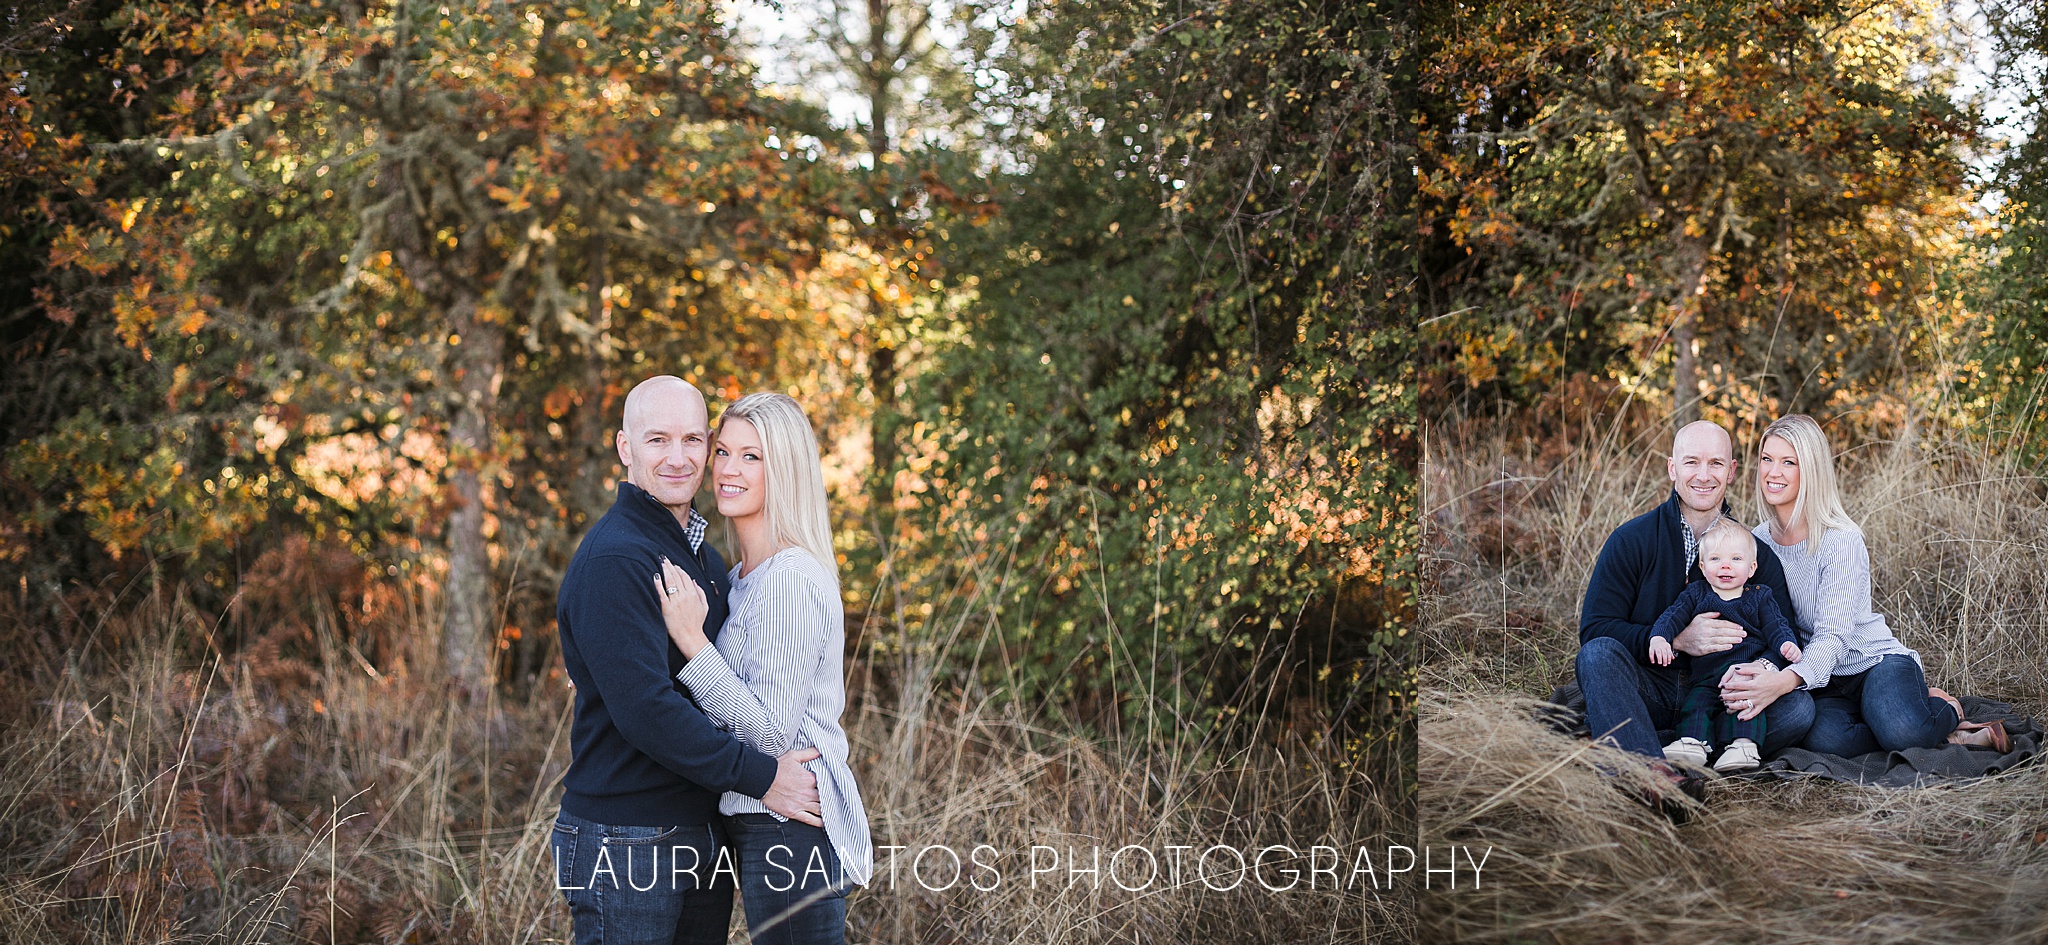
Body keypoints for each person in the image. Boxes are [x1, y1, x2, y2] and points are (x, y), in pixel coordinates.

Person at [551, 376, 827, 945]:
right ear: (626, 448)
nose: (679, 459)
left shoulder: (704, 556)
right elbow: (645, 710)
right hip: (627, 836)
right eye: (657, 441)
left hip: (698, 828)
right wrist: (763, 777)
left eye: (695, 441)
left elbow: (733, 688)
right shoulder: (617, 558)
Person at [656, 392, 871, 945]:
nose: (727, 469)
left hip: (791, 825)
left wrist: (691, 644)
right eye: (724, 451)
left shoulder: (790, 578)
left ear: (785, 469)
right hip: (762, 820)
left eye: (752, 457)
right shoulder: (744, 577)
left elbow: (771, 731)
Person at [1714, 414, 2009, 755]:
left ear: (1811, 470)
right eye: (1767, 459)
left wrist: (1781, 683)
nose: (1773, 472)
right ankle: (1903, 719)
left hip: (1870, 661)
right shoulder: (1757, 542)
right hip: (1821, 680)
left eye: (1788, 462)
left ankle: (1945, 711)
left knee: (1904, 733)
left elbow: (1832, 636)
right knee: (1825, 739)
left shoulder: (1841, 540)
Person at [1575, 420, 1816, 804]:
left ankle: (1631, 741)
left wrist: (1762, 672)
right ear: (1673, 468)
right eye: (1691, 463)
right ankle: (1652, 778)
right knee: (1598, 656)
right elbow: (1595, 629)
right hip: (1652, 687)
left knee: (1799, 710)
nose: (1703, 476)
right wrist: (1677, 638)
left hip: (1725, 697)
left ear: (1732, 471)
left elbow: (1781, 631)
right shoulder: (1631, 540)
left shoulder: (1755, 554)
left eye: (1716, 464)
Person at [1645, 518, 1803, 773]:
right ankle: (1693, 744)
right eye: (1716, 559)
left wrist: (1786, 645)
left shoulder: (1760, 596)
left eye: (1736, 560)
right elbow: (1672, 616)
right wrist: (1659, 638)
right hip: (1706, 676)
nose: (1725, 565)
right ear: (1702, 565)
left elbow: (1777, 626)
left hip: (1744, 671)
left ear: (1752, 568)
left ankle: (1743, 746)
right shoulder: (1696, 593)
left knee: (1745, 703)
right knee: (1697, 704)